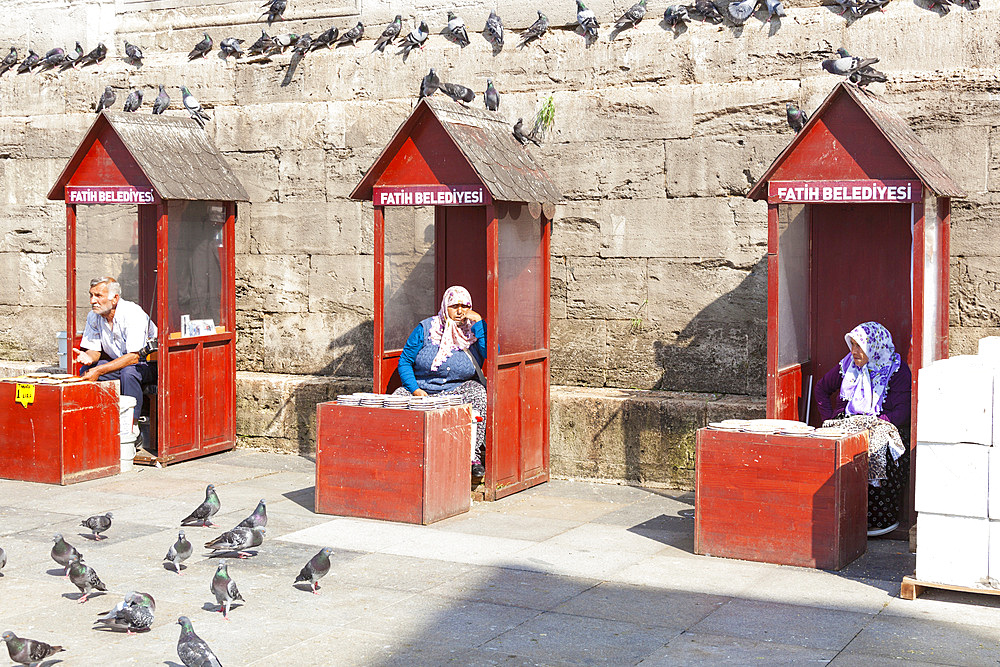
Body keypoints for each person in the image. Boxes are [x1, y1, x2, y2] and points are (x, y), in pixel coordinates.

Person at [815, 321, 911, 537]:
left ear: (874, 347)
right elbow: (821, 388)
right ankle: (834, 514)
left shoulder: (896, 370)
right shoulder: (848, 364)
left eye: (860, 346)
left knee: (880, 447)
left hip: (883, 424)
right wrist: (830, 418)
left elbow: (903, 412)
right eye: (853, 345)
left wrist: (872, 422)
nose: (854, 351)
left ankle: (879, 520)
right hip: (848, 420)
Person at [394, 286, 488, 480]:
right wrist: (415, 389)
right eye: (455, 306)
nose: (460, 311)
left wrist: (479, 323)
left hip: (456, 389)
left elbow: (492, 355)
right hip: (423, 389)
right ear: (446, 306)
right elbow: (405, 361)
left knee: (478, 392)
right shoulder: (426, 328)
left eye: (465, 306)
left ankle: (473, 457)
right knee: (396, 399)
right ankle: (400, 456)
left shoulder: (474, 331)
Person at [73, 276, 157, 427]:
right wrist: (88, 357)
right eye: (91, 295)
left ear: (114, 299)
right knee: (87, 370)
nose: (92, 301)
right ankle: (94, 419)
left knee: (129, 373)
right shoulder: (94, 315)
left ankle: (131, 425)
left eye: (98, 296)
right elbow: (95, 350)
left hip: (148, 363)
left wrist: (99, 370)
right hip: (120, 362)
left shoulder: (132, 313)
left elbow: (134, 357)